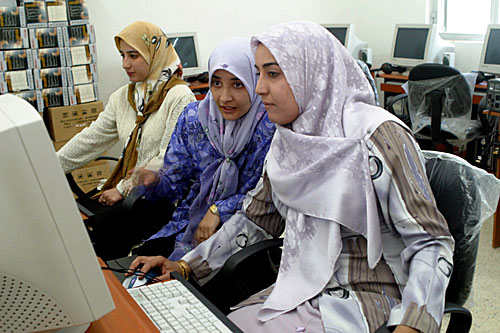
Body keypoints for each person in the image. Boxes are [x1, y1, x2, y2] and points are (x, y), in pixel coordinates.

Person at [129, 22, 455, 333]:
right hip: (298, 287)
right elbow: (255, 221)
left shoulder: (375, 137)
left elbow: (431, 241)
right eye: (258, 74)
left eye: (273, 73)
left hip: (370, 298)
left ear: (311, 74)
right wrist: (186, 266)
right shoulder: (287, 140)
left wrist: (414, 323)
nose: (259, 88)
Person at [57, 21, 196, 259]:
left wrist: (123, 188)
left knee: (97, 231)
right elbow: (92, 138)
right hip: (130, 193)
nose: (125, 64)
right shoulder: (124, 97)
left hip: (158, 199)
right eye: (122, 55)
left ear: (155, 54)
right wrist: (48, 166)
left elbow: (169, 157)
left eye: (133, 55)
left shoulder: (180, 97)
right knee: (71, 222)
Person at [131, 37, 275, 261]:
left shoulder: (270, 125)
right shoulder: (194, 119)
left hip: (243, 237)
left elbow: (267, 195)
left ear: (253, 81)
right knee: (137, 274)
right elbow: (174, 184)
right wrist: (155, 180)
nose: (224, 97)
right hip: (189, 226)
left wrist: (219, 209)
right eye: (216, 83)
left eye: (237, 84)